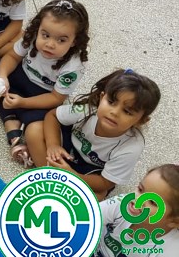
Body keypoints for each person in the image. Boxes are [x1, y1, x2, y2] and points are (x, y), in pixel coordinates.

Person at [0, 0, 90, 166]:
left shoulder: (75, 65)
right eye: (45, 35)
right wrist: (2, 77)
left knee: (39, 125)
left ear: (75, 41)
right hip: (21, 76)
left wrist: (22, 102)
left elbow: (56, 98)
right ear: (38, 29)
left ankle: (10, 114)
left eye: (61, 40)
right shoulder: (30, 37)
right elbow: (12, 57)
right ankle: (11, 116)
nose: (50, 44)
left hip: (44, 96)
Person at [42, 68, 161, 200]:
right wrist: (53, 145)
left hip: (91, 170)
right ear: (101, 97)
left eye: (127, 111)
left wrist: (73, 175)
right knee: (35, 130)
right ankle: (49, 175)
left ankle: (56, 179)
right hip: (67, 149)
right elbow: (52, 116)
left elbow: (106, 182)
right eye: (111, 102)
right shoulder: (88, 110)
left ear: (141, 121)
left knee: (98, 195)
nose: (114, 112)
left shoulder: (132, 147)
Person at [51, 163, 179, 257]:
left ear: (174, 221)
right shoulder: (123, 203)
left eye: (153, 202)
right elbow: (87, 219)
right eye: (140, 189)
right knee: (51, 254)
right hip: (96, 246)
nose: (137, 200)